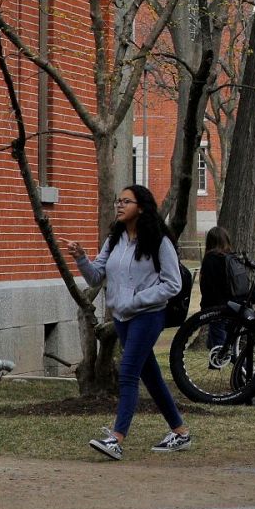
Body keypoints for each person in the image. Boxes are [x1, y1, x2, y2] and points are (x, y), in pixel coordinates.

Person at [60, 185, 193, 460]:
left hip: (148, 316)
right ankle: (180, 433)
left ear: (141, 207)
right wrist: (82, 258)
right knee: (151, 377)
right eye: (117, 200)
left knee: (129, 371)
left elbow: (173, 284)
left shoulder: (159, 241)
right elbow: (96, 277)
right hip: (122, 317)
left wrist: (138, 299)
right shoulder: (115, 239)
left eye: (126, 201)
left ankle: (116, 439)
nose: (119, 205)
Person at [199, 226, 235, 354]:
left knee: (218, 336)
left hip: (215, 304)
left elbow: (207, 284)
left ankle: (223, 358)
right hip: (232, 303)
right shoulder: (231, 257)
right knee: (219, 335)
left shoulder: (211, 259)